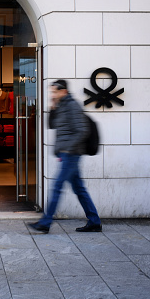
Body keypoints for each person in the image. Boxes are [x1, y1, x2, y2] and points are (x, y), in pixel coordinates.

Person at [29, 79, 102, 233]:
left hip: (71, 154)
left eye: (55, 91)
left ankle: (46, 222)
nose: (52, 94)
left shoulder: (73, 106)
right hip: (67, 153)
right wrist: (53, 106)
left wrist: (67, 148)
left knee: (57, 187)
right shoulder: (61, 106)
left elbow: (82, 131)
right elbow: (52, 125)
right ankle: (94, 221)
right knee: (80, 189)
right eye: (52, 91)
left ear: (64, 91)